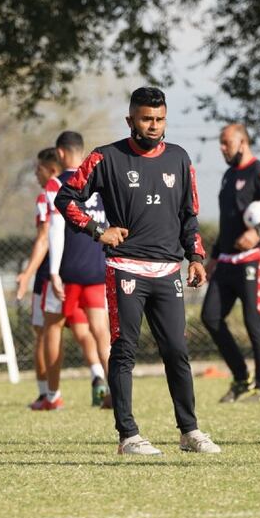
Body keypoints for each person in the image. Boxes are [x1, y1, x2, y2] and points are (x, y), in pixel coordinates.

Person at [55, 86, 221, 455]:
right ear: (130, 120)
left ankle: (189, 431)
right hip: (124, 268)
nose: (154, 126)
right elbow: (66, 198)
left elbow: (189, 215)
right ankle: (128, 436)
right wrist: (99, 231)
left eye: (160, 119)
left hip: (167, 272)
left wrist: (194, 257)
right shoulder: (105, 158)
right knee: (124, 350)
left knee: (177, 350)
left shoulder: (179, 158)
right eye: (146, 119)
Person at [202, 123, 260, 404]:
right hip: (227, 259)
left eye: (226, 142)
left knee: (255, 320)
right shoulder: (229, 175)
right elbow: (227, 221)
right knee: (211, 317)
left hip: (256, 258)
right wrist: (213, 259)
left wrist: (258, 231)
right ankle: (241, 378)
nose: (222, 148)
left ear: (242, 143)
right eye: (221, 142)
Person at [42, 131, 112, 410]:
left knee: (53, 328)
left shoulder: (55, 183)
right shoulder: (99, 182)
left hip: (69, 270)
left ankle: (52, 396)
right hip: (97, 268)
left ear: (60, 154)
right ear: (81, 152)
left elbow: (56, 227)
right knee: (100, 332)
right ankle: (116, 391)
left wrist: (54, 271)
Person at [15, 147, 60, 410]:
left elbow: (43, 238)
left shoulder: (46, 196)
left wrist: (27, 274)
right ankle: (99, 379)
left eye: (38, 169)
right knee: (89, 330)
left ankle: (46, 394)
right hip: (81, 271)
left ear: (52, 169)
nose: (35, 174)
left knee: (43, 333)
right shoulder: (86, 192)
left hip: (48, 275)